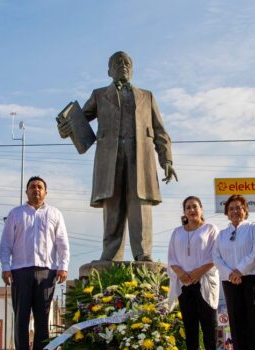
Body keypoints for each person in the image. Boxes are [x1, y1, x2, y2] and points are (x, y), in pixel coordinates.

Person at [58, 51, 177, 262]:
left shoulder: (147, 96)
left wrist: (166, 160)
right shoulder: (99, 95)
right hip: (110, 159)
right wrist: (66, 126)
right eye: (117, 62)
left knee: (139, 203)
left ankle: (143, 252)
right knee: (113, 205)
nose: (123, 65)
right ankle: (112, 253)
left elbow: (160, 131)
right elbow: (79, 121)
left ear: (133, 69)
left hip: (139, 159)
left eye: (127, 62)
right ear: (109, 71)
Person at [0, 176, 70, 350]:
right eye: (32, 187)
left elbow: (62, 243)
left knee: (43, 317)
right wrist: (6, 266)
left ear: (46, 192)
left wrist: (63, 266)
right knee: (21, 316)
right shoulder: (16, 213)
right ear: (26, 191)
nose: (36, 190)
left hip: (47, 272)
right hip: (20, 271)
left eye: (40, 187)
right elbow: (6, 243)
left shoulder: (55, 214)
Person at [212, 194, 255, 350]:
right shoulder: (221, 235)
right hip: (230, 280)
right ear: (227, 213)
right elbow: (216, 257)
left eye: (239, 208)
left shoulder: (254, 229)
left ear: (245, 210)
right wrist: (230, 273)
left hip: (253, 277)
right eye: (231, 209)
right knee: (236, 319)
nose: (235, 211)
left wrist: (240, 270)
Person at [168, 196, 220, 350]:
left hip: (204, 280)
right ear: (184, 212)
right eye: (188, 207)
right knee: (189, 321)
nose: (192, 210)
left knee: (208, 320)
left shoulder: (210, 229)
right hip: (184, 282)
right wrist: (181, 273)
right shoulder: (177, 232)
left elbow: (216, 255)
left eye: (195, 207)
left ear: (201, 209)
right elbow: (172, 258)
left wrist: (199, 271)